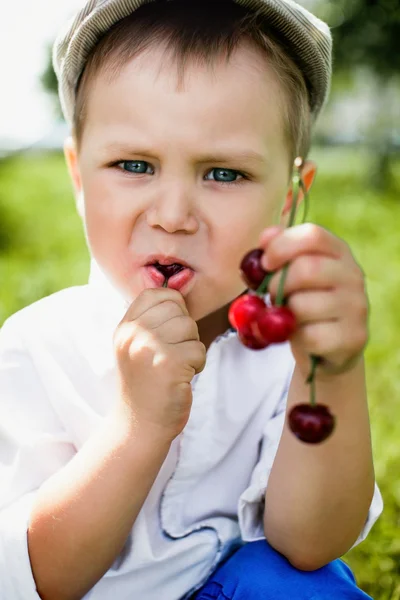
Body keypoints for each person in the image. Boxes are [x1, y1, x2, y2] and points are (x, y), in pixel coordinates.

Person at [0, 0, 383, 599]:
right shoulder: (34, 350)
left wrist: (330, 372)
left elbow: (309, 544)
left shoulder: (285, 349)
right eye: (133, 164)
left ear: (288, 200)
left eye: (224, 173)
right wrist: (139, 424)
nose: (174, 216)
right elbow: (38, 578)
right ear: (78, 177)